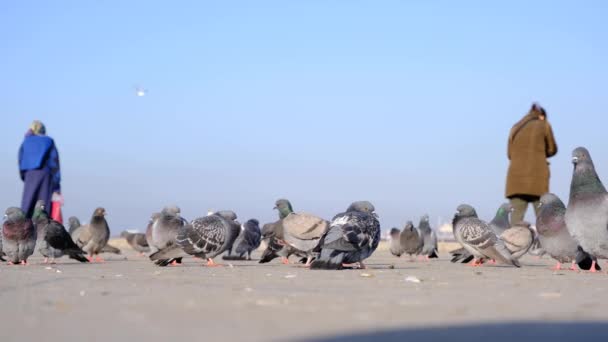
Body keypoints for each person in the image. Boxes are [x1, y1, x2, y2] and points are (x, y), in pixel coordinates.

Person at [505, 103, 557, 224]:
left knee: (515, 220)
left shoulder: (515, 128)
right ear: (542, 116)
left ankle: (513, 242)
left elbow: (509, 154)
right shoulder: (544, 124)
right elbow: (552, 149)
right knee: (543, 219)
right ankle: (545, 243)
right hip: (537, 180)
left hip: (515, 181)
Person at [18, 120, 61, 218]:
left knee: (26, 207)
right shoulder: (49, 141)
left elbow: (21, 160)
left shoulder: (26, 141)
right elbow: (54, 163)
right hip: (45, 176)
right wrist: (57, 186)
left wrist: (25, 176)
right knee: (43, 208)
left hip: (30, 176)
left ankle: (23, 230)